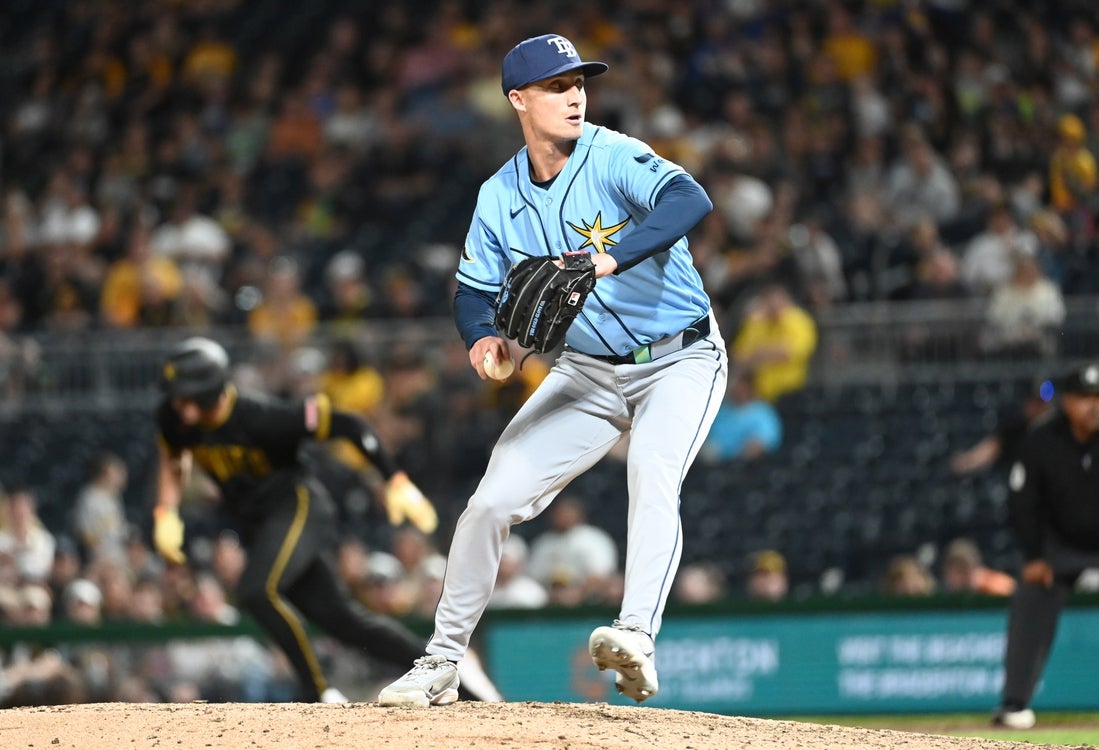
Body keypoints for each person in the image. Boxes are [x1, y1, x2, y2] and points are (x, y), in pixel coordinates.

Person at [378, 33, 727, 707]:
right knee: (489, 503)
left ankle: (636, 634)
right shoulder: (498, 195)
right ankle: (442, 661)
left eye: (578, 84)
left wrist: (607, 259)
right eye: (556, 87)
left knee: (651, 470)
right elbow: (473, 290)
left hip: (679, 358)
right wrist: (482, 339)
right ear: (518, 100)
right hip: (587, 372)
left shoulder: (613, 154)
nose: (574, 97)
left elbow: (690, 201)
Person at [152, 336, 489, 703]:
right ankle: (459, 686)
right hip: (260, 525)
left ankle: (319, 692)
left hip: (298, 508)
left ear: (207, 393)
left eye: (185, 397)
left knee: (255, 591)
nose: (177, 404)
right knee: (344, 621)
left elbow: (347, 424)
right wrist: (165, 510)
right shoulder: (175, 420)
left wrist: (393, 478)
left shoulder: (261, 417)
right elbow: (174, 459)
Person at [993, 362, 1099, 729]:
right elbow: (1023, 503)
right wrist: (1034, 556)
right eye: (1084, 397)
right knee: (1031, 595)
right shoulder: (1041, 439)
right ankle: (1014, 703)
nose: (1093, 405)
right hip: (1060, 553)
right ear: (1066, 402)